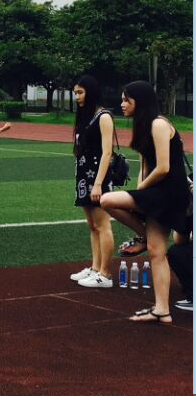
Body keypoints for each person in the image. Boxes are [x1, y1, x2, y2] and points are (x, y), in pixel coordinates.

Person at [101, 81, 191, 324]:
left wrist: (141, 190)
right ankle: (162, 310)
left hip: (170, 192)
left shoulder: (158, 124)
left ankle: (142, 236)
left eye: (126, 100)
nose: (121, 104)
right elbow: (145, 167)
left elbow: (163, 168)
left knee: (107, 200)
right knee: (156, 251)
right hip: (157, 191)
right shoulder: (142, 127)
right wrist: (141, 187)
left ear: (139, 101)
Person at [67, 75, 116, 288]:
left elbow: (107, 152)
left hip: (97, 177)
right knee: (92, 225)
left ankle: (105, 274)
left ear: (91, 92)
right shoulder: (85, 116)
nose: (77, 97)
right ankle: (95, 268)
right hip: (83, 176)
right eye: (75, 93)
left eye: (80, 92)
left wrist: (97, 183)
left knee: (103, 225)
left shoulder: (103, 116)